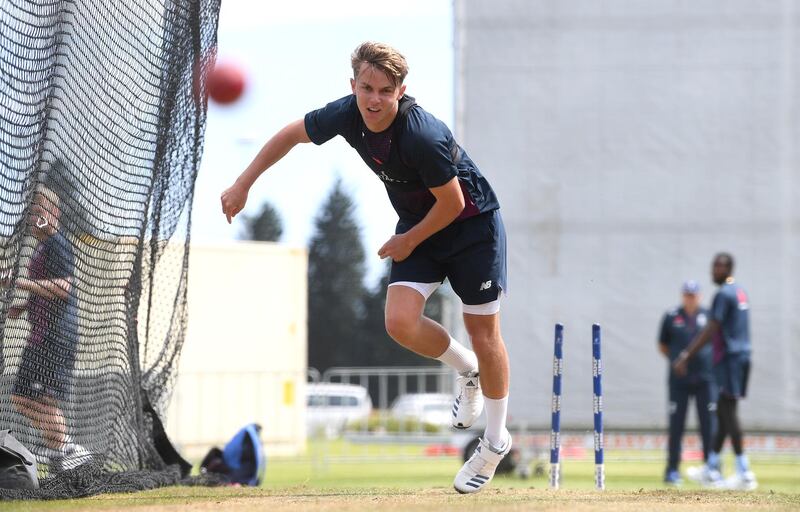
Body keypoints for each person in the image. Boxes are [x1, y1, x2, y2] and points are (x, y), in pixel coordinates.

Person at [221, 41, 511, 494]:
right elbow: (290, 134)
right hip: (421, 223)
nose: (374, 99)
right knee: (399, 322)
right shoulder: (347, 114)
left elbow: (453, 203)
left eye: (385, 90)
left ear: (401, 91)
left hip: (472, 225)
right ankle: (467, 369)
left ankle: (494, 443)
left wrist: (406, 240)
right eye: (366, 88)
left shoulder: (422, 134)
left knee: (485, 332)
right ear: (352, 85)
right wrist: (242, 184)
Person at [2, 185, 90, 472]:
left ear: (54, 212)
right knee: (21, 397)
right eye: (31, 211)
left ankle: (65, 449)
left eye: (39, 210)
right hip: (39, 335)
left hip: (55, 335)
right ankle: (61, 448)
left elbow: (65, 287)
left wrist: (20, 284)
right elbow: (44, 290)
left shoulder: (57, 243)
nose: (33, 216)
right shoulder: (41, 248)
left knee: (44, 398)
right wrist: (22, 306)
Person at [673, 253, 757, 490]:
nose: (713, 271)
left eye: (717, 267)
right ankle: (711, 468)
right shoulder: (740, 291)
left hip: (730, 359)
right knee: (722, 412)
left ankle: (745, 472)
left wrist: (686, 355)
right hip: (741, 356)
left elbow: (712, 327)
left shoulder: (723, 294)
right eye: (713, 266)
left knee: (728, 412)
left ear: (728, 268)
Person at [658, 280, 716, 485]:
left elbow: (716, 343)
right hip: (679, 380)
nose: (690, 298)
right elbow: (662, 345)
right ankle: (672, 470)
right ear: (682, 296)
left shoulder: (708, 316)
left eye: (693, 295)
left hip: (705, 379)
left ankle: (711, 468)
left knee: (709, 425)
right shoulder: (672, 316)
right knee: (676, 425)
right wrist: (676, 361)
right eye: (687, 294)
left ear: (699, 296)